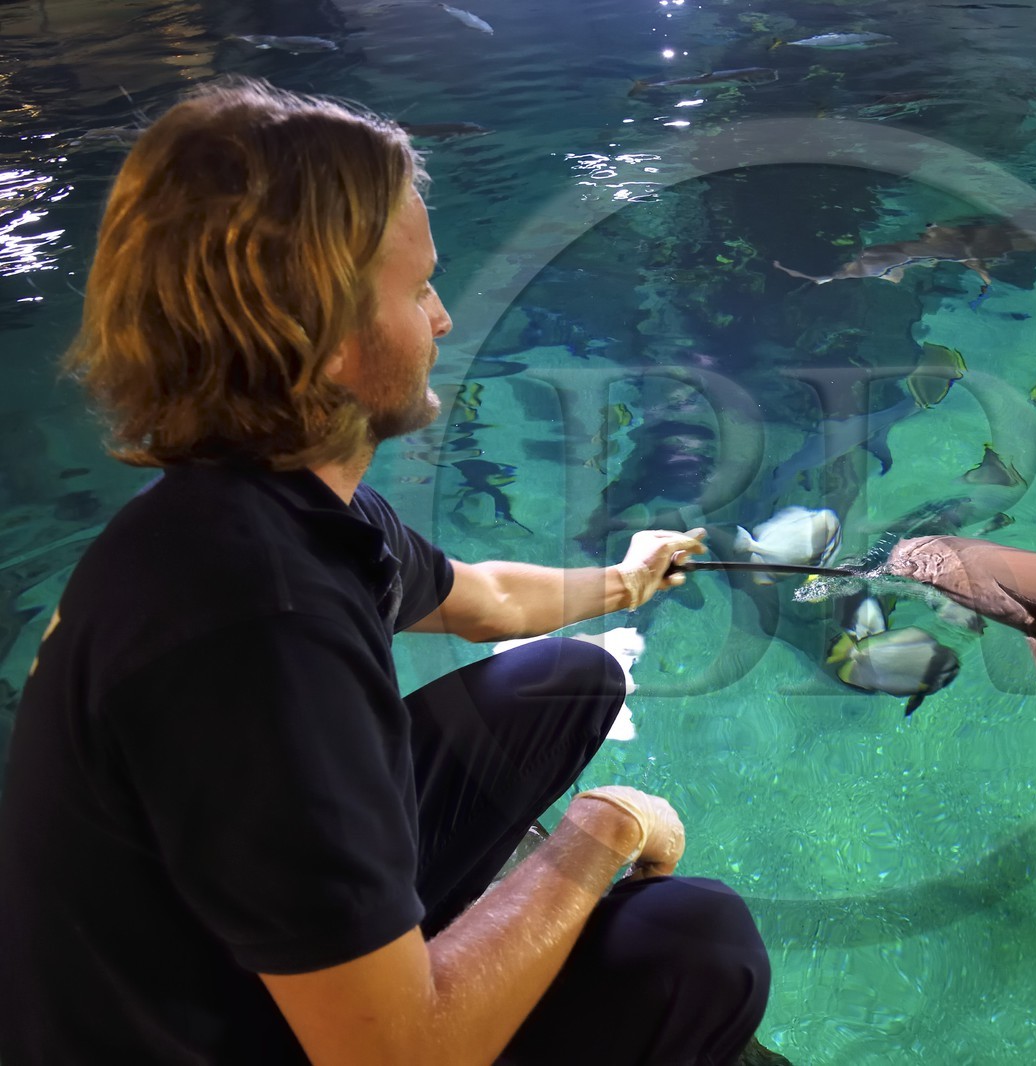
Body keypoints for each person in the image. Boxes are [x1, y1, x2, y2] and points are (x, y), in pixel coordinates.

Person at [0, 77, 770, 1065]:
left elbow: (481, 597)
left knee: (569, 676)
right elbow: (397, 1055)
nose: (443, 318)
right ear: (321, 343)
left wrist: (624, 580)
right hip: (202, 1031)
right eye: (416, 290)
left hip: (211, 938)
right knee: (698, 944)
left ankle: (396, 937)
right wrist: (602, 829)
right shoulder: (261, 624)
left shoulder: (257, 505)